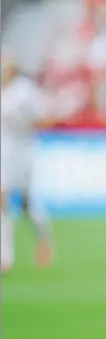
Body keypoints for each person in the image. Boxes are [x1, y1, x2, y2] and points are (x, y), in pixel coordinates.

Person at [1, 55, 53, 274]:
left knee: (24, 202)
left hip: (23, 151)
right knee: (1, 197)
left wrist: (26, 123)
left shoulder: (25, 91)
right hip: (4, 149)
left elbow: (44, 118)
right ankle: (5, 256)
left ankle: (43, 236)